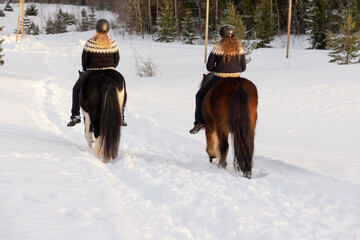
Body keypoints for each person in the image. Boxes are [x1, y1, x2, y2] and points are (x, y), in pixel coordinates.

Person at [67, 19, 126, 127]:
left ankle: (75, 115)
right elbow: (116, 59)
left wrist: (85, 69)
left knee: (76, 89)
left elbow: (84, 60)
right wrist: (111, 68)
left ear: (96, 28)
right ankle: (121, 114)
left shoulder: (90, 43)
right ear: (108, 29)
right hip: (110, 70)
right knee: (122, 85)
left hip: (92, 70)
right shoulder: (112, 43)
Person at [189, 24, 246, 134]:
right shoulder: (240, 49)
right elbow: (243, 68)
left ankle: (199, 122)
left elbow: (209, 67)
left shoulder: (217, 48)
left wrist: (219, 68)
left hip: (220, 78)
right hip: (237, 79)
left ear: (221, 36)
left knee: (199, 95)